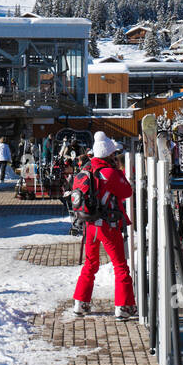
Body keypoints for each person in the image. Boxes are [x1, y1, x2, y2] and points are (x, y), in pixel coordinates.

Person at [73, 132, 137, 321]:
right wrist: (119, 171)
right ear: (109, 154)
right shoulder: (108, 172)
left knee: (90, 264)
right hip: (108, 225)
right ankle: (123, 307)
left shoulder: (87, 167)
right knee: (120, 267)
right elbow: (127, 191)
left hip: (90, 225)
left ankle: (80, 302)